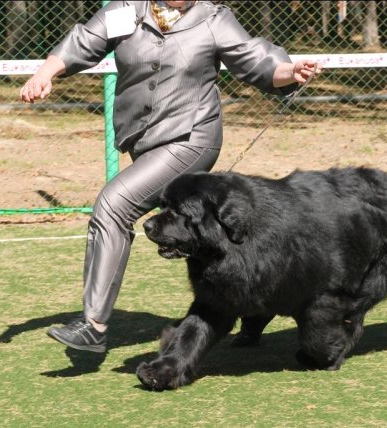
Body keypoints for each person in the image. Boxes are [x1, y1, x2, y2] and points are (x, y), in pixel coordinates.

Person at [20, 0, 320, 353]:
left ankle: (93, 325)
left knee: (114, 205)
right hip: (144, 140)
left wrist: (290, 71)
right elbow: (83, 40)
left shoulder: (213, 19)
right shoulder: (126, 11)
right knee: (205, 234)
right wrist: (45, 73)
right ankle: (253, 305)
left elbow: (255, 59)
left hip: (192, 139)